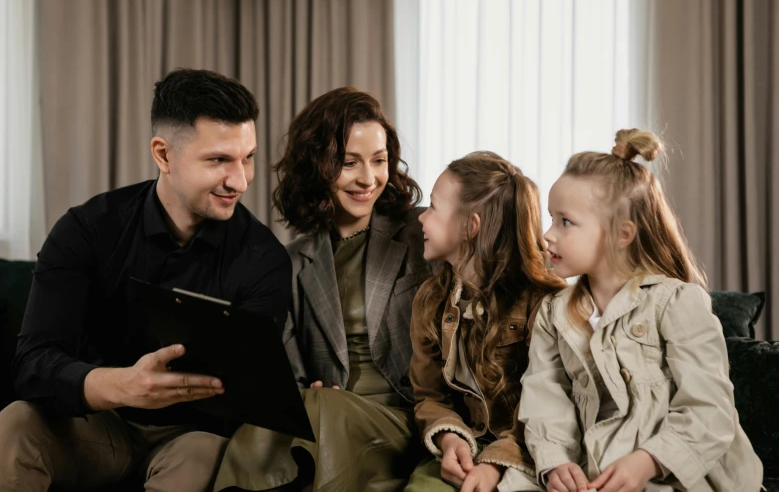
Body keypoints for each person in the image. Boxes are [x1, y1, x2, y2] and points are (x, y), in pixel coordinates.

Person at [0, 69, 292, 492]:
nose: (241, 180)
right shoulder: (87, 230)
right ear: (163, 154)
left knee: (202, 457)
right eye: (218, 160)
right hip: (99, 426)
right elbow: (32, 364)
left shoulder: (265, 260)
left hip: (192, 439)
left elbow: (250, 392)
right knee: (15, 423)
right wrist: (123, 386)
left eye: (246, 157)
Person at [500, 129, 762, 492]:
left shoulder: (677, 302)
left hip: (671, 471)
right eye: (550, 218)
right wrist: (555, 460)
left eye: (565, 221)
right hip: (591, 467)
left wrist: (648, 461)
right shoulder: (553, 312)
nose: (547, 235)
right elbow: (545, 396)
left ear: (623, 234)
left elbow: (709, 410)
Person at [214, 87, 436, 492]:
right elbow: (290, 376)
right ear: (317, 166)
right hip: (329, 420)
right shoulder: (291, 261)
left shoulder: (424, 232)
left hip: (411, 419)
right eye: (349, 163)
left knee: (321, 407)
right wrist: (304, 390)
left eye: (379, 161)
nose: (368, 179)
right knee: (306, 407)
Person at [403, 151, 566, 492]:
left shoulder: (545, 302)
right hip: (467, 449)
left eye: (432, 207)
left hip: (528, 453)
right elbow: (429, 395)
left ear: (470, 226)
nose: (421, 219)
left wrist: (495, 464)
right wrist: (449, 438)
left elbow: (546, 407)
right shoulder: (430, 299)